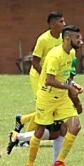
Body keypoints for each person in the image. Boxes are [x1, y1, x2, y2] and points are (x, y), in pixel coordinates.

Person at [25, 25, 84, 166]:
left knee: (75, 126)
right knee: (39, 131)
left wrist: (72, 84)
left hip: (62, 96)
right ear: (67, 39)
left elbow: (65, 76)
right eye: (78, 38)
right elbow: (48, 80)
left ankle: (59, 163)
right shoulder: (55, 55)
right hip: (47, 97)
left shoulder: (71, 53)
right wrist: (69, 88)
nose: (81, 41)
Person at [7, 12, 67, 158]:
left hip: (53, 78)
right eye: (61, 21)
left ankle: (22, 121)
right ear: (51, 24)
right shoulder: (43, 39)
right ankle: (24, 139)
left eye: (64, 21)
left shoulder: (63, 39)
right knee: (44, 108)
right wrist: (46, 76)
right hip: (39, 77)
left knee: (50, 110)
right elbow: (34, 62)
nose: (64, 24)